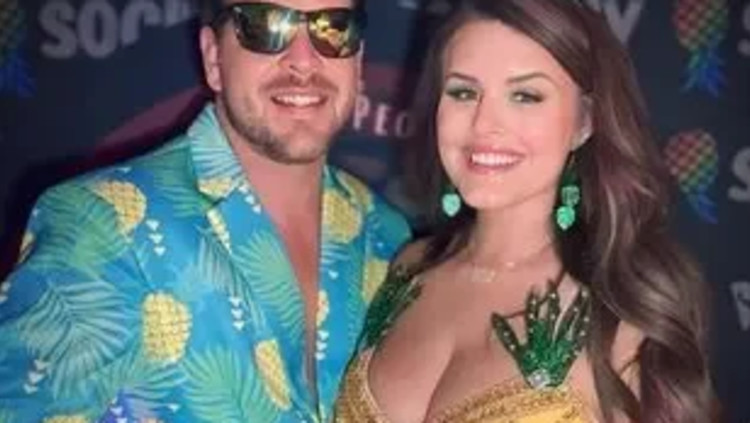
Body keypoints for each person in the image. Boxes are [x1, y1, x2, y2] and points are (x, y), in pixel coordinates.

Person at [0, 0, 410, 421]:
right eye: (264, 26)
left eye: (333, 27)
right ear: (214, 58)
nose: (304, 61)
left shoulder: (390, 240)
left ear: (357, 61)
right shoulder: (102, 223)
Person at [334, 0, 715, 422]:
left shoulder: (623, 313)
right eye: (464, 92)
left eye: (525, 96)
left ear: (585, 122)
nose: (485, 124)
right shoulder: (407, 268)